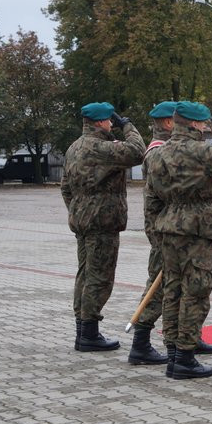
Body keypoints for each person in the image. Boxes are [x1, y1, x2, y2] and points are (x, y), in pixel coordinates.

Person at [147, 101, 212, 379]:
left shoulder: (158, 154)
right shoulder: (201, 152)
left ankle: (173, 352)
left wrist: (155, 227)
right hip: (195, 225)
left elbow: (153, 195)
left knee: (173, 290)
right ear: (192, 124)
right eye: (202, 124)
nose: (204, 128)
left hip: (168, 225)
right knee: (197, 289)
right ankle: (185, 356)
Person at [128, 101, 212, 367]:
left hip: (174, 229)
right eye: (175, 119)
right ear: (168, 123)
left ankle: (186, 340)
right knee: (163, 289)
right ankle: (142, 343)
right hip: (167, 233)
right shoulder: (158, 151)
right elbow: (152, 202)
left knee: (183, 287)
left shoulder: (174, 150)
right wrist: (157, 237)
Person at [61, 102, 145, 351]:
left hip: (83, 220)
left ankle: (83, 330)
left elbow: (65, 187)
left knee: (85, 274)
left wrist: (78, 209)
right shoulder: (100, 147)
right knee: (100, 276)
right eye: (109, 120)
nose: (112, 124)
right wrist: (128, 125)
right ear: (99, 122)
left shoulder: (74, 147)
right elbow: (137, 151)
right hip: (102, 221)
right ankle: (88, 334)